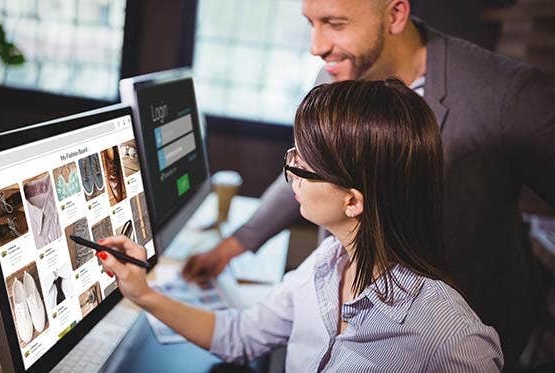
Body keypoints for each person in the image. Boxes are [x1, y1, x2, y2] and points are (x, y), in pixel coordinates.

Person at [181, 0, 555, 368]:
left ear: (395, 14)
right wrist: (233, 246)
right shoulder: (337, 72)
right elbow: (310, 169)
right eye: (311, 22)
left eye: (335, 23)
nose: (317, 46)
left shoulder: (507, 94)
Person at [99, 79, 503, 372]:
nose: (290, 168)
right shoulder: (326, 265)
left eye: (304, 165)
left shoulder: (452, 340)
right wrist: (144, 293)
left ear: (353, 200)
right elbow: (240, 337)